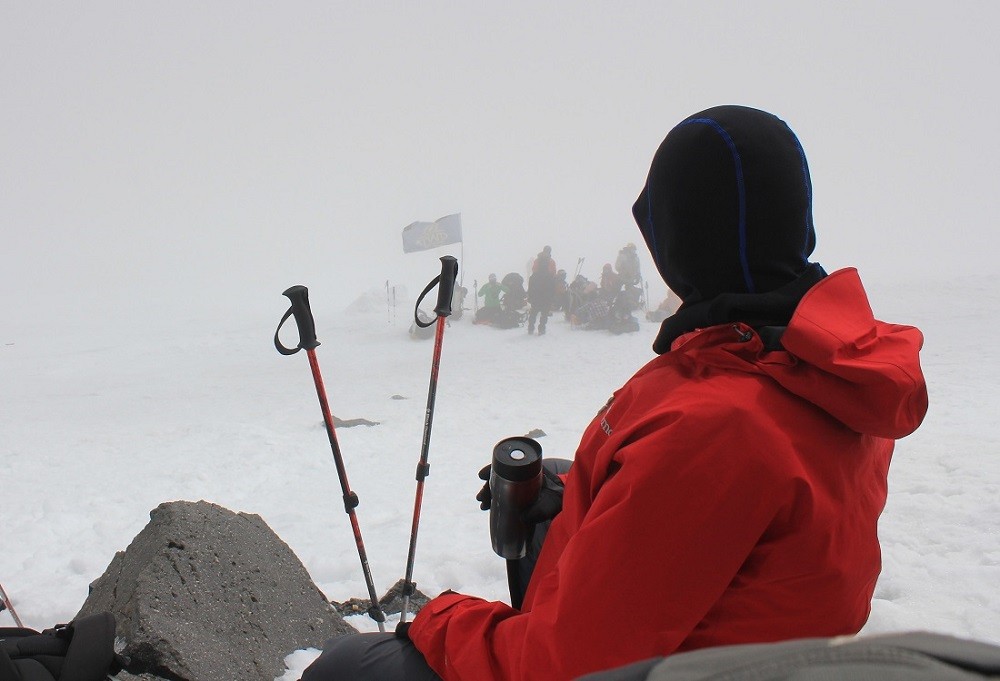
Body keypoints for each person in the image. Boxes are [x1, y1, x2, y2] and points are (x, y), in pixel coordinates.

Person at [300, 105, 928, 681]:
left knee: (346, 667)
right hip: (750, 645)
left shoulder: (719, 422)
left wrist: (440, 617)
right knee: (552, 488)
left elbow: (561, 668)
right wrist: (575, 489)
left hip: (645, 664)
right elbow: (724, 514)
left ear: (681, 240)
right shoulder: (824, 361)